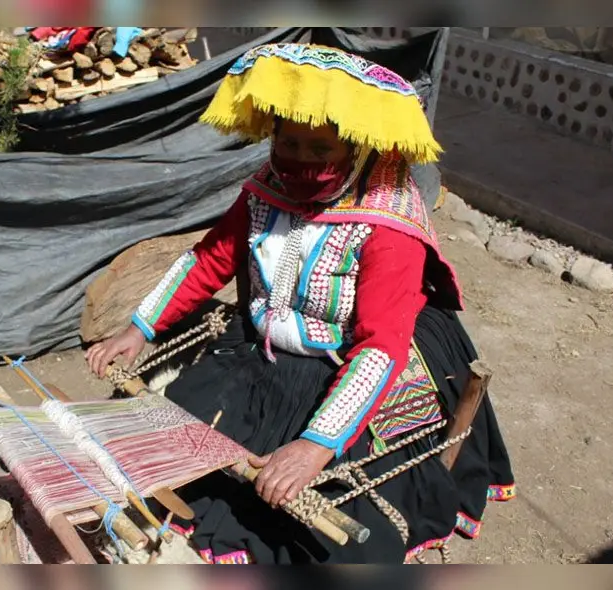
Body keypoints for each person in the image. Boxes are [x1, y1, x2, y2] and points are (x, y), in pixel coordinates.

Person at [85, 43, 515, 564]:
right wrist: (140, 329)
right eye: (289, 142)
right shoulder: (266, 190)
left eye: (320, 151)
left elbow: (379, 347)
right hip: (265, 346)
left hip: (348, 354)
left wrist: (317, 445)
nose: (300, 160)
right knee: (162, 448)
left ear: (357, 147)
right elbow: (209, 259)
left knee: (324, 524)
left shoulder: (388, 226)